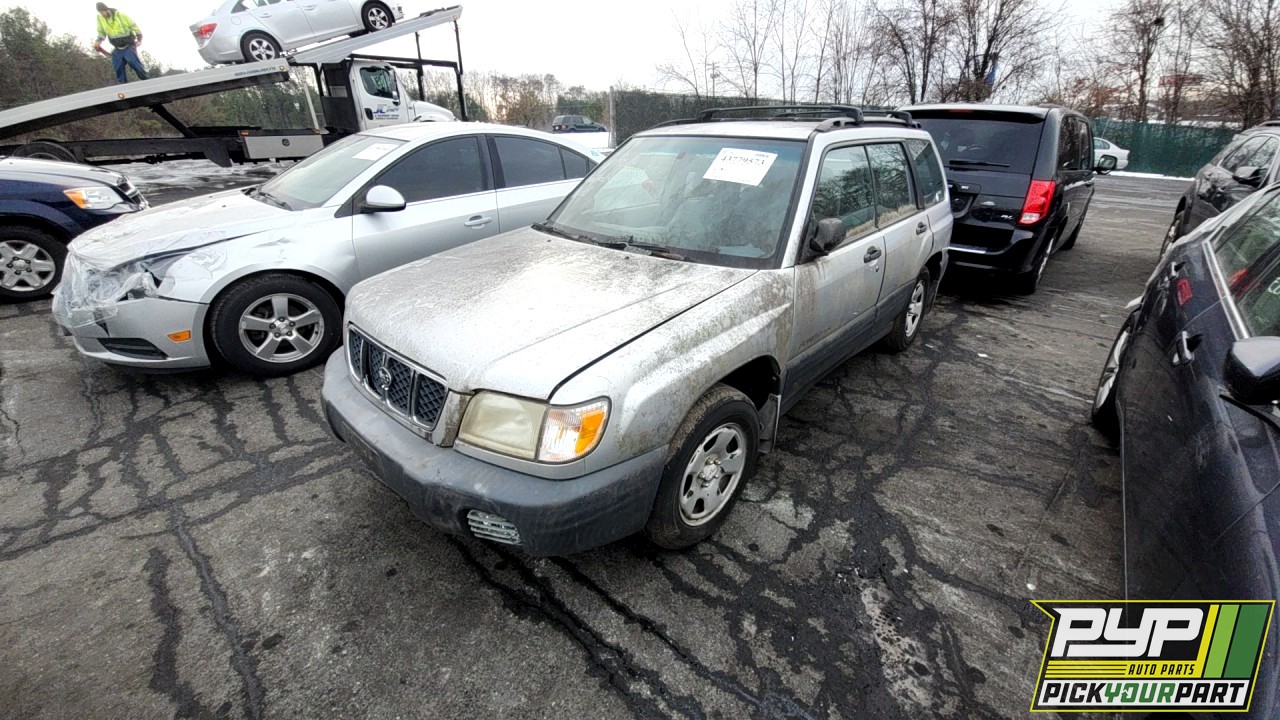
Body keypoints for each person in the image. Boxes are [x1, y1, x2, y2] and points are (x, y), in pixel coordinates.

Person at [93, 2, 147, 84]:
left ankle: (145, 80)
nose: (102, 14)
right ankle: (124, 86)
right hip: (117, 48)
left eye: (103, 12)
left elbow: (134, 27)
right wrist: (98, 42)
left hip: (128, 45)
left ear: (107, 9)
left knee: (133, 63)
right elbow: (101, 33)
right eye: (100, 13)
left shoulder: (121, 16)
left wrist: (139, 39)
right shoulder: (100, 19)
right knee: (118, 67)